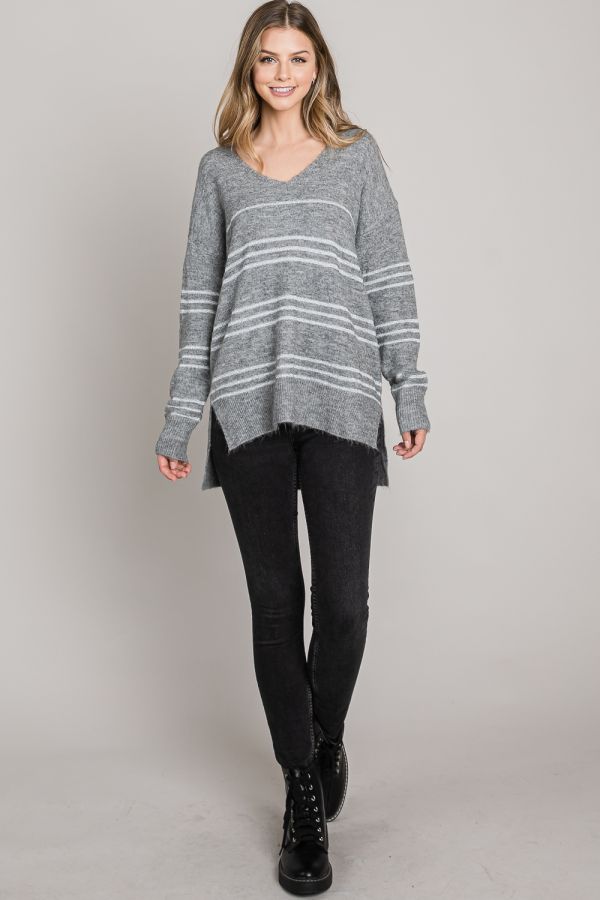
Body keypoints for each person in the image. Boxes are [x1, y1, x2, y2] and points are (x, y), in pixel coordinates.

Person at [155, 1, 430, 894]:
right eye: (268, 58)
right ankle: (302, 795)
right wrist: (181, 417)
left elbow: (389, 276)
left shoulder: (356, 157)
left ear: (319, 68)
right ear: (250, 67)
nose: (283, 73)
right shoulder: (219, 171)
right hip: (249, 406)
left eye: (298, 57)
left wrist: (408, 388)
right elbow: (199, 301)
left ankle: (325, 733)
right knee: (277, 607)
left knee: (342, 606)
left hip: (343, 399)